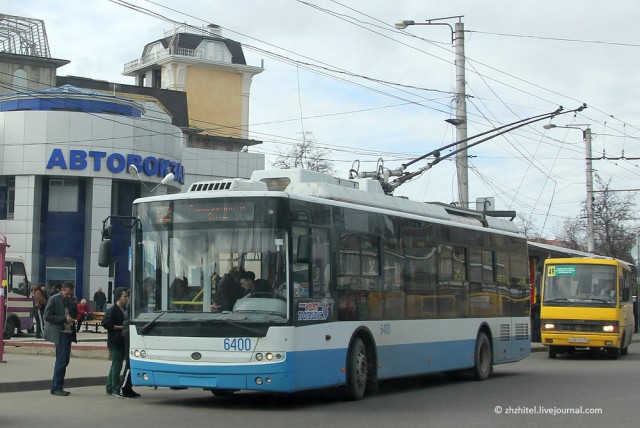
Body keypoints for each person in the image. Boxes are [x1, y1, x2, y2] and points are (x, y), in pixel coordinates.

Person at [43, 281, 77, 396]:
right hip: (60, 333)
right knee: (61, 360)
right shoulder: (54, 299)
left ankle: (55, 386)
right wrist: (63, 319)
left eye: (70, 294)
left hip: (68, 332)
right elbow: (47, 316)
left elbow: (75, 314)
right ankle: (57, 387)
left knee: (65, 360)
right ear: (62, 290)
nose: (68, 296)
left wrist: (73, 301)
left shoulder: (69, 300)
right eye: (67, 293)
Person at [102, 287, 128, 398]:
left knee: (115, 365)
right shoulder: (112, 310)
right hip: (115, 341)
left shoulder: (125, 309)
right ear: (119, 297)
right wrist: (120, 327)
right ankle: (115, 389)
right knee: (117, 365)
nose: (127, 298)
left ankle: (109, 387)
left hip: (121, 341)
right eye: (125, 296)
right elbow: (106, 323)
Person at [117, 298, 140, 398]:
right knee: (130, 364)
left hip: (130, 333)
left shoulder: (131, 304)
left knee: (130, 364)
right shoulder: (133, 304)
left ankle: (128, 388)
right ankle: (122, 388)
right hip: (129, 335)